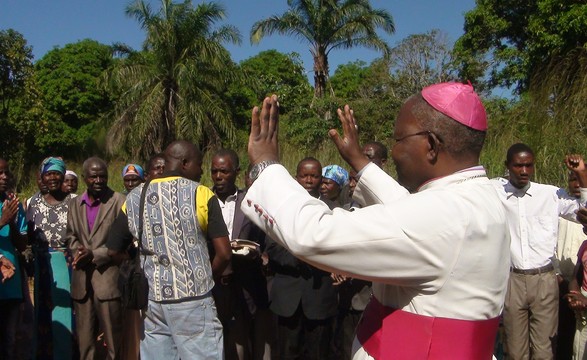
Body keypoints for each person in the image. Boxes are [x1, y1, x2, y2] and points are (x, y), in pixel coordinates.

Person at [243, 83, 511, 359]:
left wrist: (266, 166)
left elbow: (316, 234)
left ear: (430, 145)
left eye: (398, 140)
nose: (394, 153)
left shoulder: (444, 215)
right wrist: (360, 162)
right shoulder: (483, 198)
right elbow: (409, 211)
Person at [107, 140, 231, 359]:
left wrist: (134, 266)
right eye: (199, 164)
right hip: (194, 301)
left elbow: (113, 250)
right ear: (184, 163)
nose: (202, 170)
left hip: (152, 302)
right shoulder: (201, 194)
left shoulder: (135, 197)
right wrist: (205, 277)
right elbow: (224, 253)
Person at [494, 143, 587, 360]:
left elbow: (582, 211)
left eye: (529, 165)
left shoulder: (550, 195)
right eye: (518, 166)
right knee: (515, 351)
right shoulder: (495, 193)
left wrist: (581, 174)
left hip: (544, 280)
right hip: (512, 280)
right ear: (507, 166)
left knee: (544, 351)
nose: (524, 171)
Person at [264, 157, 338, 360]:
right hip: (288, 298)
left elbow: (338, 246)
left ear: (321, 179)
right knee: (287, 353)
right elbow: (272, 248)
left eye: (314, 176)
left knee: (318, 353)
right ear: (296, 178)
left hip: (320, 297)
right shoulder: (281, 209)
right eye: (304, 176)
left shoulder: (333, 210)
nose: (308, 180)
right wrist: (304, 255)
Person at [210, 148, 273, 360]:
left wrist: (260, 253)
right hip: (214, 283)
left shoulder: (249, 202)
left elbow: (265, 236)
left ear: (236, 172)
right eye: (215, 171)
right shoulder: (203, 201)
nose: (219, 177)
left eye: (224, 172)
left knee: (242, 339)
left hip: (245, 281)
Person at [66, 156, 126, 360]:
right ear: (84, 178)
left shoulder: (118, 201)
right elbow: (70, 235)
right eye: (94, 177)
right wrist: (78, 252)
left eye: (103, 176)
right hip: (81, 282)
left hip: (107, 282)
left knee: (114, 343)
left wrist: (95, 254)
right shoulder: (74, 204)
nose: (99, 180)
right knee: (85, 344)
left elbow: (123, 240)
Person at [27, 157, 76, 359]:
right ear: (43, 176)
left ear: (63, 175)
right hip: (41, 264)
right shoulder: (33, 201)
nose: (53, 177)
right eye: (49, 174)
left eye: (57, 173)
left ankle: (64, 354)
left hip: (66, 262)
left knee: (65, 312)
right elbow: (28, 235)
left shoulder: (74, 200)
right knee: (43, 313)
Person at [556, 170, 585, 359]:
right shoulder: (560, 208)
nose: (575, 184)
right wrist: (556, 272)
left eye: (579, 180)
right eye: (571, 180)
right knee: (561, 330)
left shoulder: (584, 212)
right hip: (561, 281)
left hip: (582, 284)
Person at [0, 158, 27, 360]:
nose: (4, 177)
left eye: (7, 172)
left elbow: (22, 244)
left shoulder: (12, 202)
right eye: (0, 172)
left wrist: (14, 222)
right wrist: (3, 221)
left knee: (9, 340)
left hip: (11, 285)